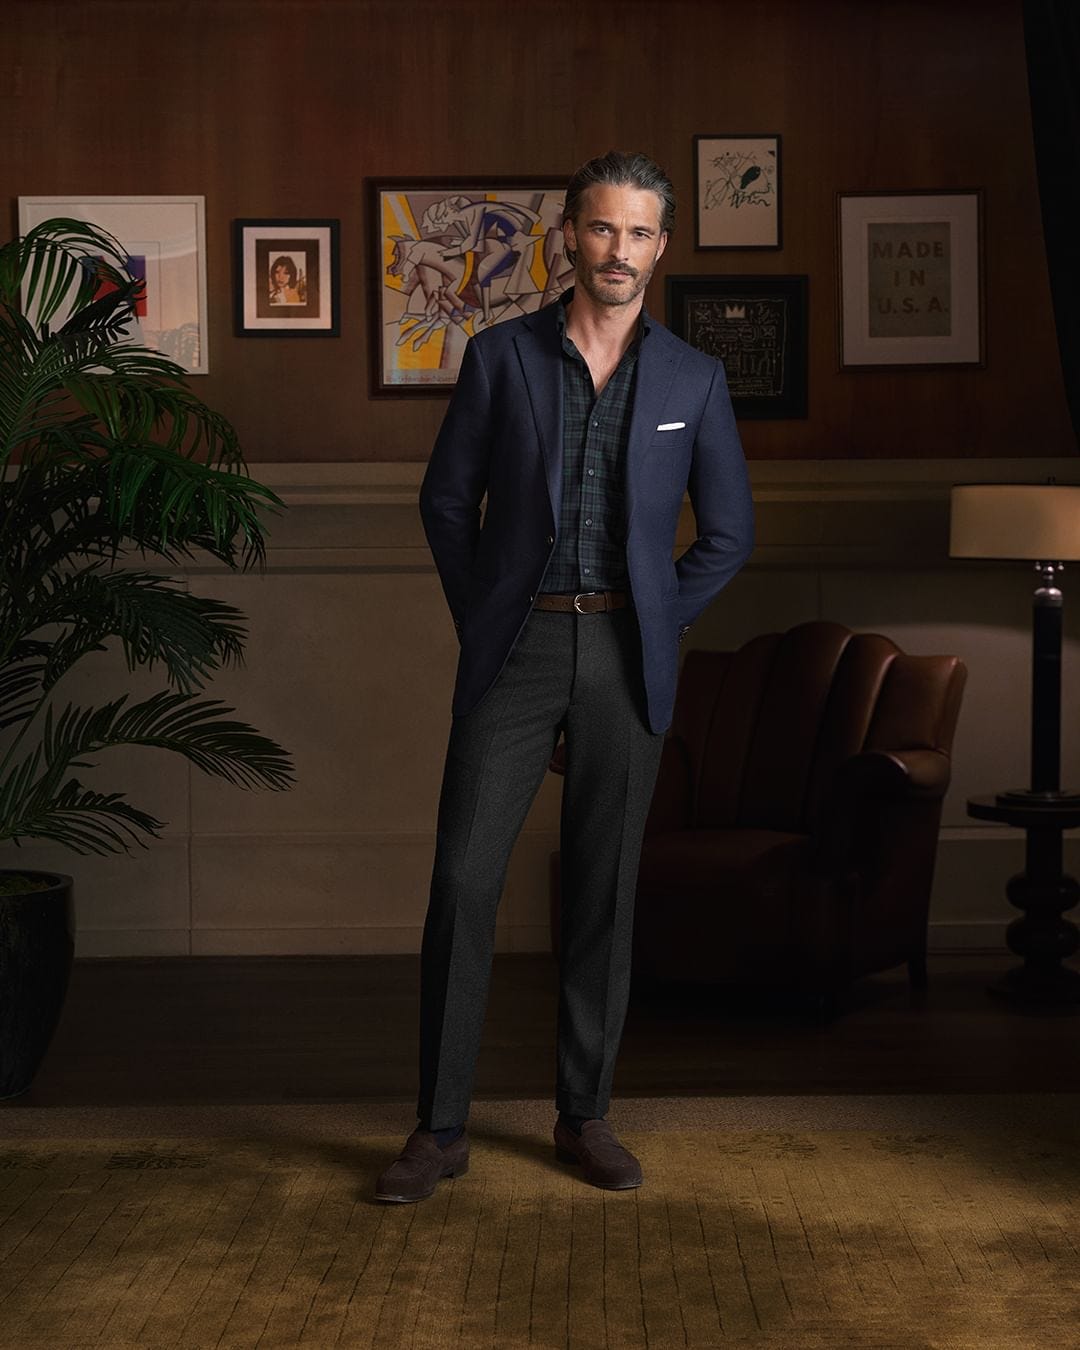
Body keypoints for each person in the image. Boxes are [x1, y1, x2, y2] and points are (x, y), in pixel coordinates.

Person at [375, 150, 754, 1203]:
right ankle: (440, 1128)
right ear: (570, 238)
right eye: (601, 229)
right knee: (463, 883)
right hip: (520, 648)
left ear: (661, 247)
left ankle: (584, 1116)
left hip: (629, 655)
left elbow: (728, 533)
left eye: (638, 233)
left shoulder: (693, 378)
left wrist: (659, 625)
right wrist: (485, 619)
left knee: (601, 894)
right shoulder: (501, 358)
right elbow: (447, 505)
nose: (618, 250)